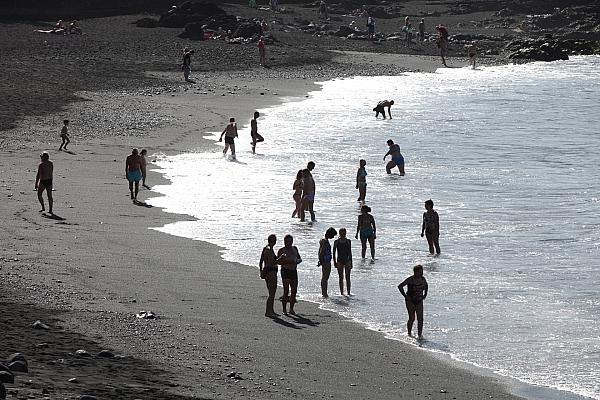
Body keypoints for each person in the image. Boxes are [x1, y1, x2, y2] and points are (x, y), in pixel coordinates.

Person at [398, 265, 428, 339]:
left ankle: (419, 335)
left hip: (419, 300)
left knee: (420, 319)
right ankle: (409, 333)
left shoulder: (423, 279)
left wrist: (425, 294)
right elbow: (400, 286)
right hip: (410, 301)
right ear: (415, 272)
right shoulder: (410, 279)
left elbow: (426, 286)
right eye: (420, 272)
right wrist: (405, 296)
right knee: (412, 318)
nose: (421, 273)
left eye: (422, 272)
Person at [276, 235, 302, 314]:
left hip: (294, 271)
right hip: (285, 270)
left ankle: (291, 309)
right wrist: (286, 261)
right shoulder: (281, 250)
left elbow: (300, 259)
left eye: (290, 241)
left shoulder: (295, 249)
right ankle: (284, 309)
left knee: (294, 291)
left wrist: (296, 261)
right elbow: (277, 262)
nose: (288, 243)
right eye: (286, 241)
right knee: (286, 290)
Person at [259, 234, 279, 317]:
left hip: (267, 270)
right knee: (272, 293)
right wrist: (280, 259)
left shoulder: (265, 248)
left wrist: (261, 271)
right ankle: (268, 311)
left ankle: (271, 310)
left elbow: (261, 262)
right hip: (271, 271)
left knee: (271, 292)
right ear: (274, 241)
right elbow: (271, 263)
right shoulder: (269, 250)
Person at [318, 227, 337, 298]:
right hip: (326, 260)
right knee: (325, 278)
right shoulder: (325, 241)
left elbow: (320, 251)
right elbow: (321, 251)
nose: (333, 237)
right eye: (333, 235)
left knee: (324, 277)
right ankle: (324, 293)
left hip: (325, 260)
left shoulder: (323, 240)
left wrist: (320, 260)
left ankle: (324, 292)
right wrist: (321, 260)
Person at [333, 228, 352, 295]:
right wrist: (334, 262)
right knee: (341, 277)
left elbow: (350, 252)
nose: (343, 234)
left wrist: (351, 262)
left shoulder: (348, 241)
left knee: (348, 277)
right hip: (339, 261)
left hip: (347, 261)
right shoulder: (336, 242)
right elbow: (334, 252)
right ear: (339, 233)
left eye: (344, 233)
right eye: (342, 233)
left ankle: (348, 293)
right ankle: (342, 293)